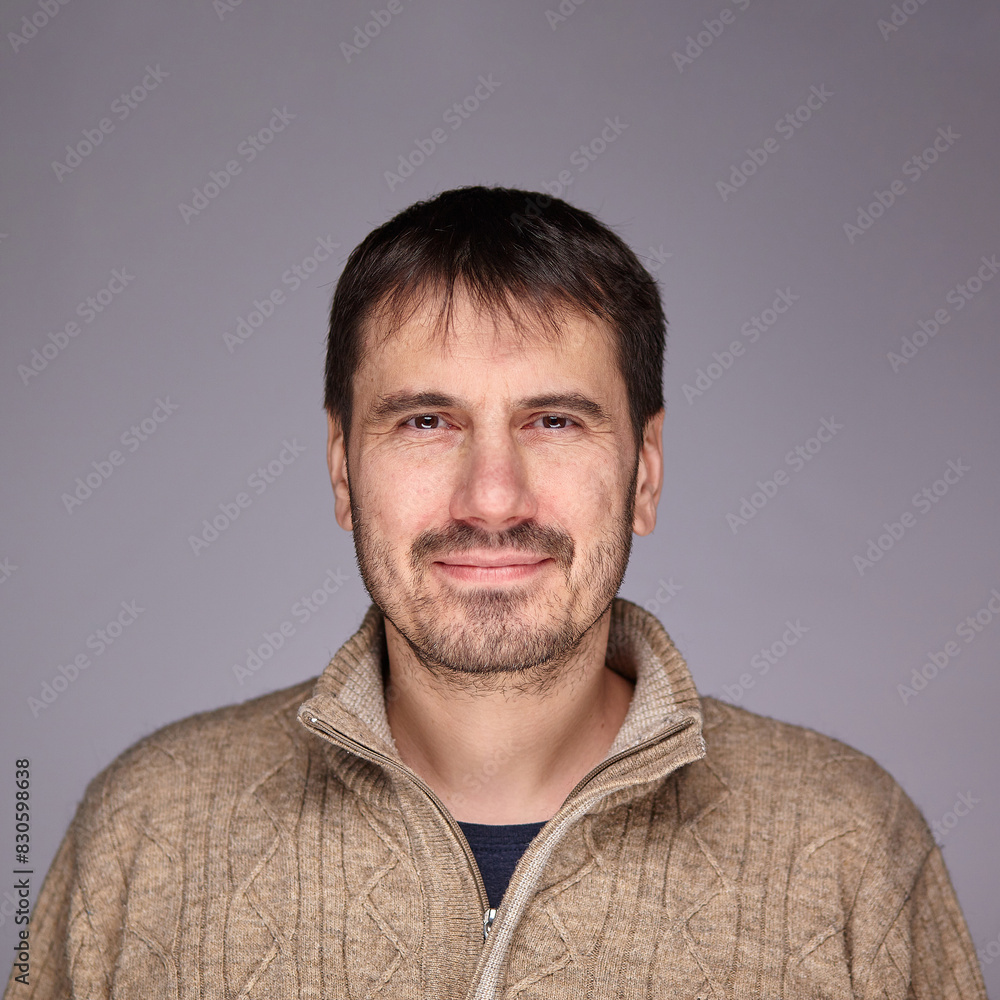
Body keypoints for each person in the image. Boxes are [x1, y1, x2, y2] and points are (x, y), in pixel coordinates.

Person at [7, 186, 986, 999]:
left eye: (553, 421)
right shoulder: (147, 832)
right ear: (342, 469)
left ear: (644, 471)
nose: (490, 498)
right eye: (426, 421)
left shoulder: (848, 846)